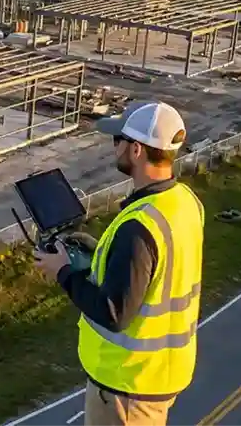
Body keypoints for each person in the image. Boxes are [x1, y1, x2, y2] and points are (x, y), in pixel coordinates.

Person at [33, 101, 204, 426]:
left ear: (136, 150)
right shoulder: (184, 202)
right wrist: (101, 253)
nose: (114, 147)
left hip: (127, 387)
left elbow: (114, 313)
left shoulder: (139, 226)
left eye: (118, 140)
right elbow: (156, 270)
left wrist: (64, 273)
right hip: (157, 374)